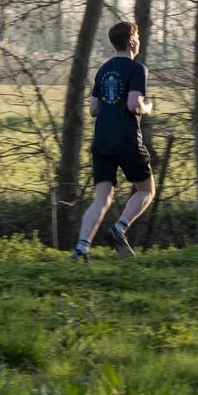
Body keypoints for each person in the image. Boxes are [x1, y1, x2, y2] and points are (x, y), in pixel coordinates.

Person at [75, 20, 152, 258]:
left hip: (102, 140)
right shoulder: (137, 69)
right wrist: (147, 108)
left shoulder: (103, 69)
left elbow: (94, 109)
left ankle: (81, 247)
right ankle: (119, 228)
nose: (138, 41)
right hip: (126, 139)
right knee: (146, 190)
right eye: (137, 37)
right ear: (131, 41)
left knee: (102, 198)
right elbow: (133, 104)